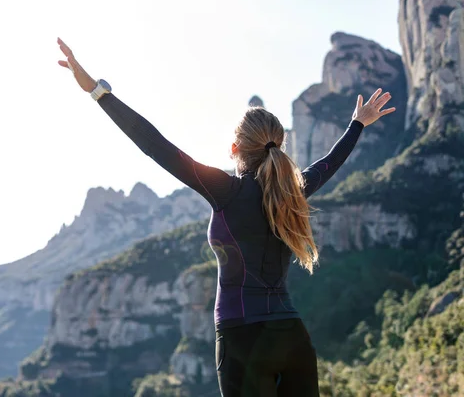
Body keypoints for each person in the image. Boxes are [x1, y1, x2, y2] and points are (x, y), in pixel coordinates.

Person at [56, 37, 395, 397]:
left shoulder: (225, 190)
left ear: (235, 149)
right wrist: (357, 124)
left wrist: (97, 91)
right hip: (291, 337)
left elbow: (155, 144)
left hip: (242, 339)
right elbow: (328, 163)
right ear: (278, 147)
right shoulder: (290, 193)